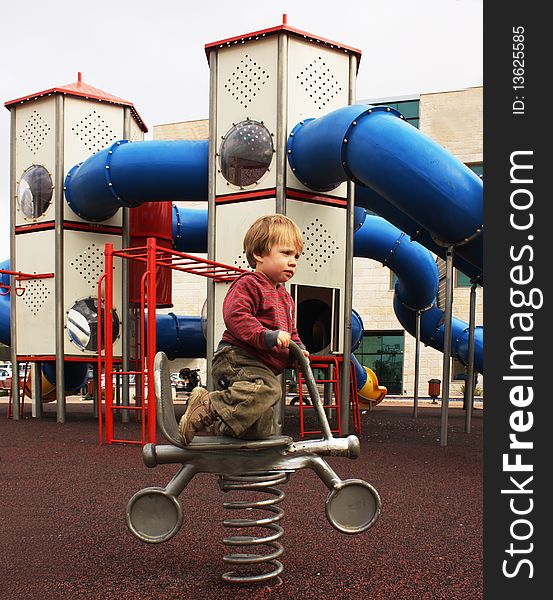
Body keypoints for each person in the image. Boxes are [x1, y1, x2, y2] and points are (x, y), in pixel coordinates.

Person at [178, 214, 309, 445]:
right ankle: (208, 405)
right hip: (237, 358)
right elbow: (235, 316)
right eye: (286, 253)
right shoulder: (249, 283)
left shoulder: (286, 298)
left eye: (296, 256)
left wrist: (298, 351)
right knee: (268, 389)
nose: (293, 262)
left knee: (259, 425)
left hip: (260, 367)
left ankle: (227, 436)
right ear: (259, 254)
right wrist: (266, 336)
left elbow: (292, 332)